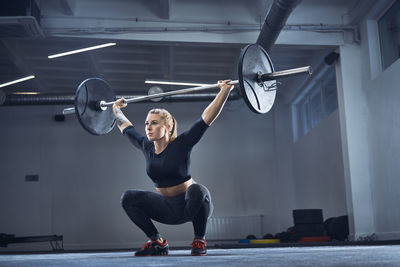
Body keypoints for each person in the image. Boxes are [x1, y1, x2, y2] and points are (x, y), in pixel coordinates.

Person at [113, 80, 234, 256]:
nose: (148, 127)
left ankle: (199, 240)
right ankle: (157, 242)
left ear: (168, 127)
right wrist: (115, 109)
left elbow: (206, 118)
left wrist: (225, 90)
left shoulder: (182, 144)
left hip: (192, 204)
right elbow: (126, 127)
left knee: (197, 189)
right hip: (166, 208)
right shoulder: (146, 146)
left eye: (154, 123)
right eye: (147, 123)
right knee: (128, 198)